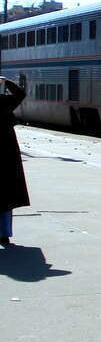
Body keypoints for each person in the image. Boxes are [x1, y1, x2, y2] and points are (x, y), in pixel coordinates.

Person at [0, 77, 31, 245]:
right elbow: (20, 94)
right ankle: (4, 233)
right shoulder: (4, 103)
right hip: (6, 154)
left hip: (6, 153)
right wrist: (7, 82)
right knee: (6, 196)